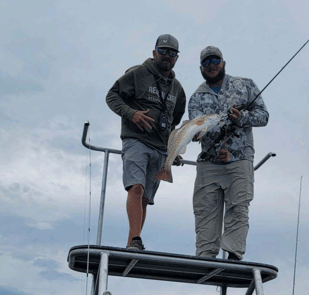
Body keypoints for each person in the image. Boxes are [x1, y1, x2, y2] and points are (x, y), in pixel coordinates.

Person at [188, 46, 269, 260]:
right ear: (201, 68)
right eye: (206, 63)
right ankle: (205, 259)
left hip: (240, 159)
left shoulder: (245, 84)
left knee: (238, 208)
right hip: (209, 163)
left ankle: (233, 255)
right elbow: (196, 130)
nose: (211, 65)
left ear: (223, 63)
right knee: (205, 214)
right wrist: (195, 134)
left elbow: (263, 116)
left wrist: (241, 117)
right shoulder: (196, 98)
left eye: (215, 61)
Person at [106, 34, 186, 250]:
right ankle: (134, 240)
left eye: (172, 53)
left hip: (160, 149)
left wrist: (174, 150)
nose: (167, 56)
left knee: (145, 198)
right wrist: (131, 114)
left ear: (177, 58)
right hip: (136, 141)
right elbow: (112, 96)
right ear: (154, 53)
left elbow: (173, 123)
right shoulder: (138, 73)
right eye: (163, 51)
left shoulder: (177, 89)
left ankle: (134, 241)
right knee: (136, 188)